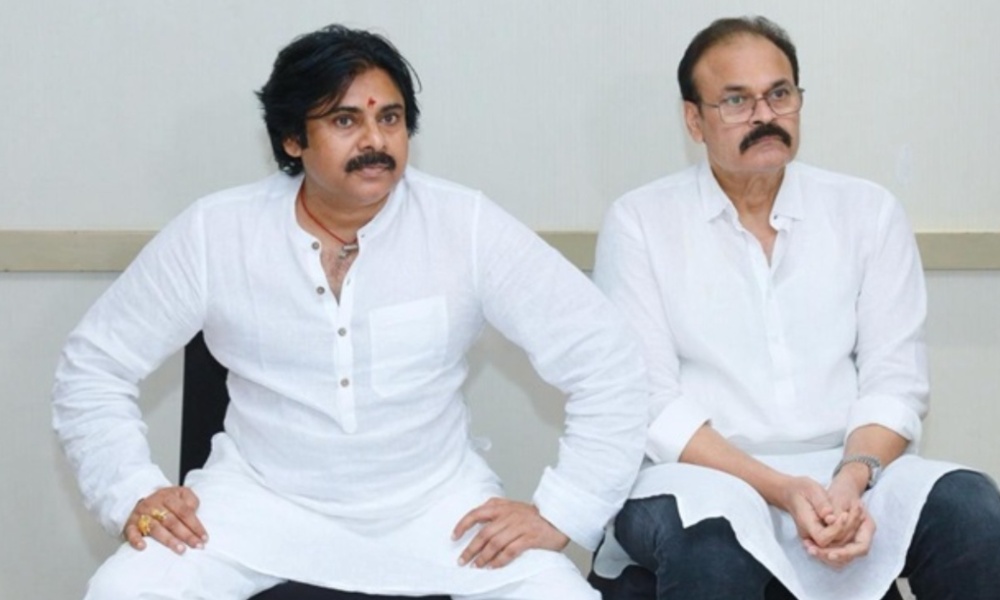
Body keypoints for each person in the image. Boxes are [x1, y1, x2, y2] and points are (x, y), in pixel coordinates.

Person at [52, 24, 648, 600]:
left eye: (389, 118)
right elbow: (94, 366)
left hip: (437, 513)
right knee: (123, 589)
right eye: (345, 121)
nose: (375, 141)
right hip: (254, 507)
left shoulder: (463, 225)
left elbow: (606, 358)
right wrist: (131, 491)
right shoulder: (217, 232)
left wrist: (564, 511)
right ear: (292, 139)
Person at [588, 15, 1000, 600]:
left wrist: (852, 479)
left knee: (970, 507)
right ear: (694, 120)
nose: (764, 116)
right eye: (736, 100)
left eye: (779, 94)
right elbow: (651, 403)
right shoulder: (640, 221)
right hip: (696, 474)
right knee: (713, 540)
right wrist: (780, 488)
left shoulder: (866, 211)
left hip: (844, 467)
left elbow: (895, 382)